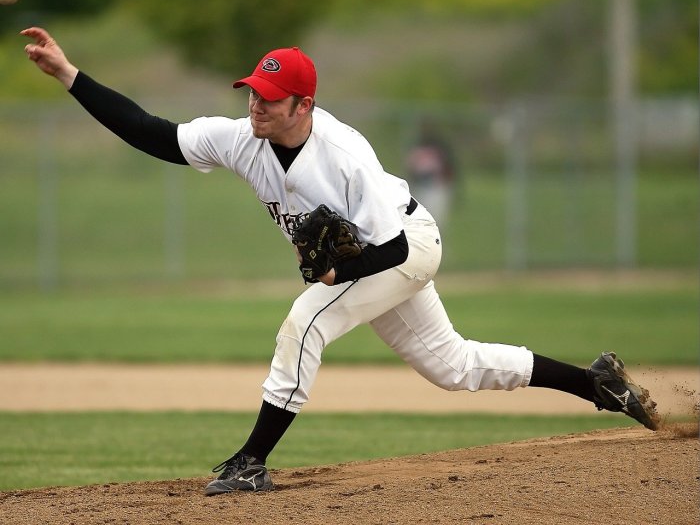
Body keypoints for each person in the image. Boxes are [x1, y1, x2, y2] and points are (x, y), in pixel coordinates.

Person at [21, 26, 659, 496]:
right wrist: (71, 75)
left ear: (304, 105)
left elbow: (401, 250)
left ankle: (250, 461)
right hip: (384, 256)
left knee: (307, 321)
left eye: (271, 97)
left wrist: (335, 274)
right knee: (453, 366)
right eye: (253, 92)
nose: (256, 105)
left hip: (408, 244)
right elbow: (150, 132)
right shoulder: (244, 139)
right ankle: (596, 381)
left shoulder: (345, 154)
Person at [405, 121, 456, 226]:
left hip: (436, 187)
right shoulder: (417, 148)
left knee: (435, 220)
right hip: (420, 186)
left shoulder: (441, 149)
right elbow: (411, 168)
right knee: (417, 218)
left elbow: (449, 168)